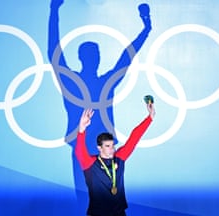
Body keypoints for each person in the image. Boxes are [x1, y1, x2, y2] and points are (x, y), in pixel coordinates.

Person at [48, 0, 153, 205]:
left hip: (106, 151)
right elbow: (53, 52)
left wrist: (146, 30)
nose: (93, 58)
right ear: (82, 58)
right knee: (85, 203)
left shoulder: (105, 82)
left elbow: (127, 57)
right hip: (83, 148)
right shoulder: (72, 82)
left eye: (95, 55)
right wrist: (53, 12)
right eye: (91, 55)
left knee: (110, 202)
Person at [75, 102, 155, 216]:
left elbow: (134, 136)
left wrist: (150, 118)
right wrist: (81, 129)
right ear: (99, 148)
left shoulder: (119, 158)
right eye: (107, 146)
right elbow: (79, 150)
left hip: (119, 212)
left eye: (112, 145)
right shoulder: (91, 163)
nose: (112, 149)